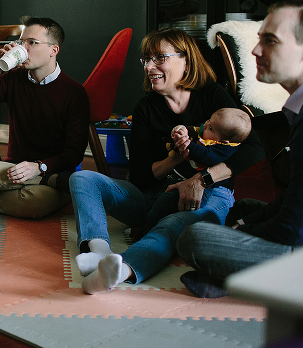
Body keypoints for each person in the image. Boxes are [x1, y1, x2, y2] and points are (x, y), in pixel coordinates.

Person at [69, 28, 263, 295]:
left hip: (209, 194)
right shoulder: (146, 108)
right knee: (81, 178)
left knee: (171, 226)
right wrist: (174, 157)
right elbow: (139, 176)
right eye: (146, 60)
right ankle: (99, 250)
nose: (150, 67)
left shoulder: (212, 95)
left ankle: (121, 270)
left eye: (159, 58)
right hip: (154, 197)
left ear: (186, 60)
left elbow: (254, 148)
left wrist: (200, 179)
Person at [177, 1, 303, 298]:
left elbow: (296, 228)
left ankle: (270, 283)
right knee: (241, 209)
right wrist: (245, 224)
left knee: (194, 238)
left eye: (270, 41)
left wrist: (239, 234)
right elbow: (298, 194)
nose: (255, 51)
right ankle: (235, 278)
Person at [0, 16, 90, 219]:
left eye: (32, 43)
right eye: (22, 42)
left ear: (53, 50)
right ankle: (20, 190)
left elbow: (74, 153)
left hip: (52, 171)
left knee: (37, 202)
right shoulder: (13, 79)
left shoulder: (74, 92)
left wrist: (39, 167)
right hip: (12, 171)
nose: (24, 48)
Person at [148, 107, 252, 229]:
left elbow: (207, 156)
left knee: (163, 206)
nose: (206, 124)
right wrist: (182, 131)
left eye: (211, 128)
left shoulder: (225, 149)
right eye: (209, 120)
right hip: (175, 179)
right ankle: (146, 221)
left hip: (203, 191)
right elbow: (192, 130)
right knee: (154, 201)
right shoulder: (206, 132)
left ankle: (147, 230)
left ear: (223, 140)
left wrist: (188, 145)